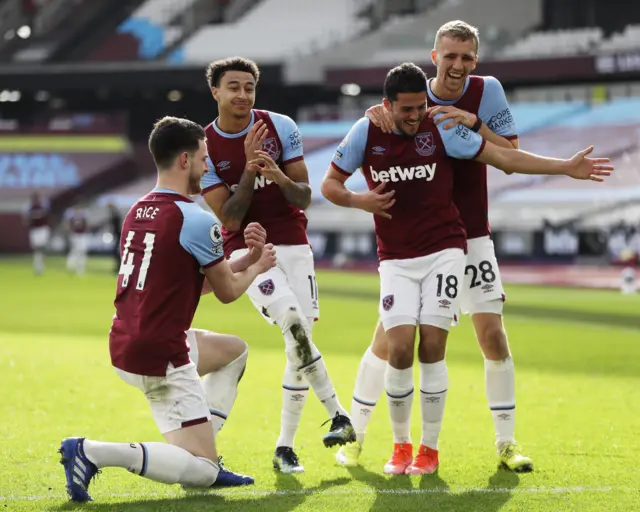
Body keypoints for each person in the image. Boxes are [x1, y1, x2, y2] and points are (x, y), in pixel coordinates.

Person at [321, 62, 612, 475]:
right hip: (397, 257)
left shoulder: (443, 124)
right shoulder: (368, 129)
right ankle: (373, 438)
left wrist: (564, 166)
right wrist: (358, 200)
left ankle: (453, 446)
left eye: (422, 106)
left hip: (451, 246)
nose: (417, 114)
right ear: (387, 105)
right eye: (407, 109)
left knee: (450, 343)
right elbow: (331, 183)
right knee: (394, 345)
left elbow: (504, 157)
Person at [336, 19, 541, 472]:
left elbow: (508, 152)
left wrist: (475, 122)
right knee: (391, 343)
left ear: (476, 59)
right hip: (415, 241)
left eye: (467, 57)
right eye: (450, 56)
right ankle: (358, 434)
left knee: (492, 335)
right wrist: (375, 114)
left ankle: (506, 443)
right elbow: (388, 121)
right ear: (434, 58)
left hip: (471, 233)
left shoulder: (487, 91)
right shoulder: (413, 103)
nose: (458, 65)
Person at [58, 116, 277, 502]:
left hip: (129, 339)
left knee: (234, 352)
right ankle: (92, 451)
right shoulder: (194, 218)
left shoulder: (136, 211)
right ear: (184, 161)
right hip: (161, 352)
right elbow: (226, 293)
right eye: (204, 159)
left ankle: (201, 445)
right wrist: (258, 266)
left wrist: (244, 260)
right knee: (202, 473)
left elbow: (191, 283)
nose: (207, 167)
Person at [200, 56, 354, 474]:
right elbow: (229, 219)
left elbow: (303, 197)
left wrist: (279, 177)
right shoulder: (204, 146)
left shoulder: (281, 126)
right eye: (233, 87)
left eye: (249, 87)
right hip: (246, 252)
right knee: (290, 317)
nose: (243, 95)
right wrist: (250, 171)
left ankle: (284, 448)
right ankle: (339, 413)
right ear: (215, 91)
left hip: (294, 245)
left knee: (297, 342)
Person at [24, 191, 50, 275]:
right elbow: (26, 220)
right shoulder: (29, 208)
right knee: (36, 248)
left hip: (43, 229)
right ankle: (38, 266)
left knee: (41, 247)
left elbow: (47, 217)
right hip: (34, 230)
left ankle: (40, 263)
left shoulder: (43, 207)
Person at [65, 207, 89, 275]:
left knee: (82, 251)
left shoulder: (83, 219)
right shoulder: (72, 219)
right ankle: (71, 265)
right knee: (76, 251)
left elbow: (86, 226)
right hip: (75, 235)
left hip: (82, 236)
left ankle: (79, 268)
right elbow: (69, 227)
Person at [107, 202, 122, 273]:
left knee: (116, 252)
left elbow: (117, 224)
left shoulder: (114, 213)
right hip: (117, 234)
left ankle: (118, 267)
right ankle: (118, 267)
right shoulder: (115, 213)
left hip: (118, 235)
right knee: (116, 251)